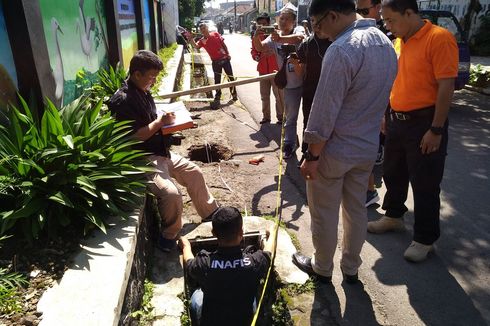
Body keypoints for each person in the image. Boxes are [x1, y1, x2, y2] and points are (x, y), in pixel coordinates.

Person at [292, 0, 397, 283]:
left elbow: (324, 110)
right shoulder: (385, 44)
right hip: (366, 147)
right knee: (356, 210)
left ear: (334, 15)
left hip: (333, 151)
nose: (318, 32)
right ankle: (351, 268)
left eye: (318, 25)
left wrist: (312, 156)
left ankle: (322, 267)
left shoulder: (341, 49)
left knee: (324, 212)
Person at [367, 0, 458, 263]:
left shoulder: (439, 39)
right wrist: (387, 114)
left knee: (425, 182)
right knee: (394, 172)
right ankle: (394, 216)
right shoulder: (399, 41)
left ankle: (425, 238)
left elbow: (446, 87)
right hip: (397, 120)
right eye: (385, 20)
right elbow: (394, 81)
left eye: (391, 19)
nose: (387, 25)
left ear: (410, 13)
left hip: (425, 121)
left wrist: (436, 129)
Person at [109, 50, 219, 252]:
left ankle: (210, 213)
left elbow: (149, 121)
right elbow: (134, 136)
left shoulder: (142, 90)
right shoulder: (123, 100)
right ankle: (168, 235)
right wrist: (161, 122)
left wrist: (170, 123)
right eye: (151, 77)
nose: (154, 81)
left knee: (194, 172)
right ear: (136, 74)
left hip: (160, 151)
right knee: (171, 194)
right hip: (142, 157)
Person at [180, 206, 275, 326]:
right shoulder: (255, 262)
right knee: (253, 298)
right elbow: (268, 253)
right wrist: (271, 235)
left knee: (197, 295)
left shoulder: (204, 264)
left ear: (213, 233)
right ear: (241, 232)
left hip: (213, 321)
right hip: (242, 320)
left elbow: (189, 262)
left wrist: (186, 247)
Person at [253, 8, 305, 159]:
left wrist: (280, 40)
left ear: (293, 21)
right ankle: (289, 144)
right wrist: (256, 37)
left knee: (310, 116)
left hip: (307, 81)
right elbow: (260, 48)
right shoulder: (274, 37)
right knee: (290, 117)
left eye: (286, 19)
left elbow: (300, 38)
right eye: (281, 19)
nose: (283, 22)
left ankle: (310, 148)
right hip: (289, 84)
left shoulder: (298, 29)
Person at [356, 0, 394, 207]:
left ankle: (378, 197)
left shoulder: (388, 36)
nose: (360, 16)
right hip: (372, 107)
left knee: (382, 158)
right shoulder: (361, 34)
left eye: (363, 11)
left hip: (388, 106)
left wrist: (385, 112)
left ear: (377, 7)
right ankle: (371, 193)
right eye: (358, 11)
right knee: (370, 154)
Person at [289, 22, 331, 161]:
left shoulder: (339, 41)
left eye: (319, 21)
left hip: (332, 94)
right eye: (313, 21)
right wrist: (295, 64)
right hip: (310, 93)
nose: (316, 25)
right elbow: (300, 72)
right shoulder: (307, 44)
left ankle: (324, 156)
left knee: (330, 125)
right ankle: (306, 154)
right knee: (309, 124)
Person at [187, 23, 238, 108]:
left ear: (207, 28)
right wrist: (191, 39)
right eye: (201, 29)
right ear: (201, 31)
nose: (203, 30)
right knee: (217, 80)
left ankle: (234, 95)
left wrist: (228, 54)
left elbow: (223, 45)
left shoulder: (215, 34)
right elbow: (196, 46)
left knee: (230, 77)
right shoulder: (202, 41)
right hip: (215, 62)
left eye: (204, 28)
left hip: (225, 59)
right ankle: (217, 96)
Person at [251, 12, 285, 124]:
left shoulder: (276, 35)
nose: (262, 27)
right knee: (264, 96)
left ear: (269, 23)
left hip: (275, 71)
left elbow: (283, 50)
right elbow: (255, 50)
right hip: (262, 71)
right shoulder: (256, 36)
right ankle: (266, 117)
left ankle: (280, 117)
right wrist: (257, 56)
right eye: (259, 24)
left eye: (264, 24)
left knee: (279, 96)